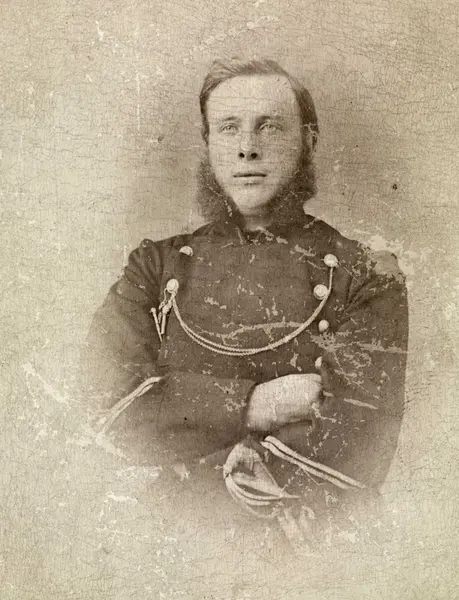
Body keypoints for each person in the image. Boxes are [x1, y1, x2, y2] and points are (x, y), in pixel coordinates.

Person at [80, 58, 408, 547]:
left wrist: (227, 444)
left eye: (269, 126)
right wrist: (256, 405)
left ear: (308, 141)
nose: (247, 147)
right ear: (209, 142)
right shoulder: (154, 267)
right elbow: (103, 404)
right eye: (228, 127)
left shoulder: (366, 273)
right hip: (170, 536)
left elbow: (362, 433)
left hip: (307, 539)